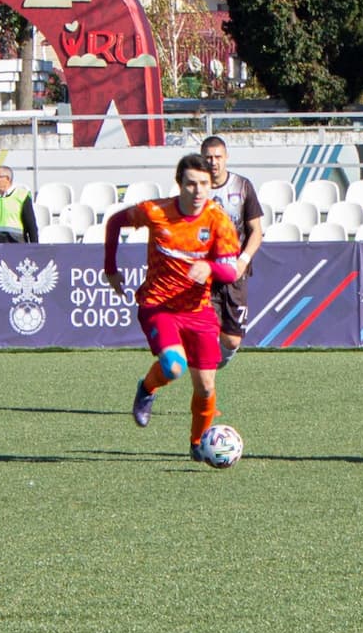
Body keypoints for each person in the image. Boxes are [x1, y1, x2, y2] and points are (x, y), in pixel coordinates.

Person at [108, 154, 243, 463]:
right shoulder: (156, 212)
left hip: (198, 311)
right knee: (173, 366)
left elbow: (230, 271)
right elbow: (115, 221)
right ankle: (147, 388)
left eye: (205, 184)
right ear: (179, 183)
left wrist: (209, 268)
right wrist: (110, 268)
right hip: (158, 305)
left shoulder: (218, 220)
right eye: (191, 184)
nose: (198, 191)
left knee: (206, 387)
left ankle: (198, 443)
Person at [199, 137, 265, 370]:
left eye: (217, 157)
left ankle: (215, 365)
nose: (213, 162)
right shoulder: (196, 188)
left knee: (232, 339)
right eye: (208, 157)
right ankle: (205, 378)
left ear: (226, 158)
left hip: (235, 274)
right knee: (205, 333)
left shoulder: (242, 186)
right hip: (206, 274)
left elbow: (256, 231)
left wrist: (243, 261)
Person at [0, 166, 40, 244]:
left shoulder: (22, 196)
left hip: (16, 245)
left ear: (7, 179)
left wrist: (35, 249)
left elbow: (31, 226)